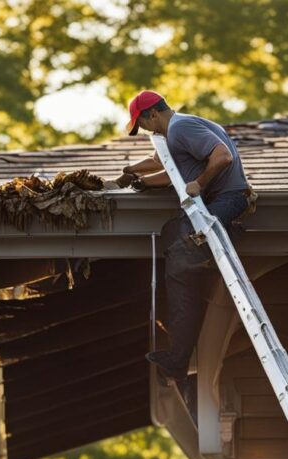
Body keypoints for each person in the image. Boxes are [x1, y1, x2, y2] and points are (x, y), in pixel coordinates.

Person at [113, 90, 253, 413]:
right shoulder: (176, 133)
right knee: (176, 249)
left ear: (152, 115)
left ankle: (178, 359)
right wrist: (136, 174)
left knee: (181, 260)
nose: (147, 133)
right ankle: (178, 356)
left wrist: (200, 184)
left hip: (228, 200)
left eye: (144, 126)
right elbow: (169, 170)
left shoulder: (180, 128)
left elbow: (222, 157)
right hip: (219, 202)